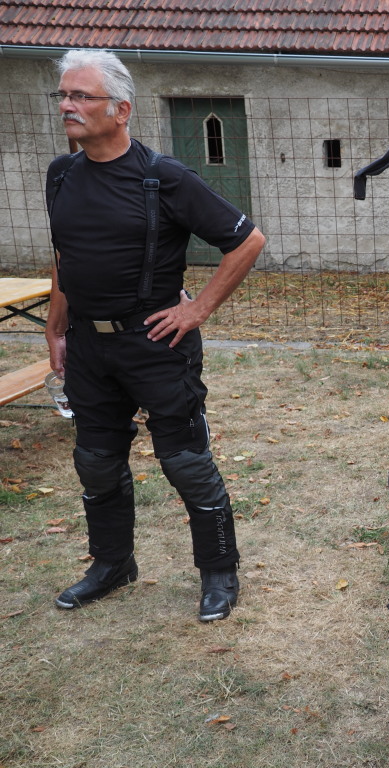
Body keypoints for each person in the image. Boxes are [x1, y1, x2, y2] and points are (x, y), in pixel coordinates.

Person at [43, 49, 266, 622]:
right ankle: (112, 564)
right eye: (63, 95)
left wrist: (197, 311)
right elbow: (65, 256)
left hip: (156, 344)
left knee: (185, 460)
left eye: (80, 96)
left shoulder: (163, 177)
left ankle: (219, 572)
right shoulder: (61, 174)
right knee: (95, 461)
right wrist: (56, 325)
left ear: (121, 110)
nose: (67, 105)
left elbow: (247, 242)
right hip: (89, 347)